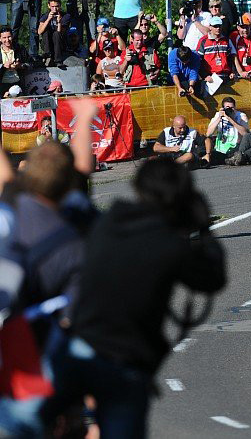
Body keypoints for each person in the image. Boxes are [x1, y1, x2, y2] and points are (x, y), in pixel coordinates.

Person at [41, 158, 225, 438]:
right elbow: (212, 279)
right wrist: (203, 229)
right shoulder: (169, 244)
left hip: (75, 346)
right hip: (123, 362)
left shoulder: (106, 222)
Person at [205, 97, 249, 164]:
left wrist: (231, 119)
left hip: (235, 147)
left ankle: (231, 159)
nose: (230, 110)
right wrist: (219, 118)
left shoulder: (241, 116)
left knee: (237, 154)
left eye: (232, 108)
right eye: (227, 107)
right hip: (220, 149)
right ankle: (228, 160)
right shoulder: (218, 115)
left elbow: (245, 134)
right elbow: (208, 134)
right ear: (223, 108)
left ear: (235, 107)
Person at [195, 16, 239, 82]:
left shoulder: (226, 40)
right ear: (210, 27)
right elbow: (198, 60)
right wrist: (205, 75)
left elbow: (230, 57)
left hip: (226, 76)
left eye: (219, 26)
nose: (218, 28)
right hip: (211, 77)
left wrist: (232, 71)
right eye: (215, 26)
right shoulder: (203, 40)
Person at [37, 0, 71, 67]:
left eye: (57, 6)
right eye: (52, 7)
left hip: (60, 43)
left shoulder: (66, 16)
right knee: (46, 31)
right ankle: (47, 55)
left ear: (60, 6)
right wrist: (48, 19)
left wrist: (59, 22)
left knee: (56, 34)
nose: (55, 9)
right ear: (49, 6)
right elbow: (39, 31)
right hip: (47, 44)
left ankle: (58, 60)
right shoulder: (45, 16)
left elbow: (61, 32)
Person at [0, 26, 31, 97]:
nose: (7, 40)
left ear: (12, 36)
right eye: (4, 38)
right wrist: (3, 66)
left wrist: (20, 66)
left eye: (9, 37)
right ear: (0, 39)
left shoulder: (20, 49)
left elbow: (31, 64)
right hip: (2, 85)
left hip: (17, 84)